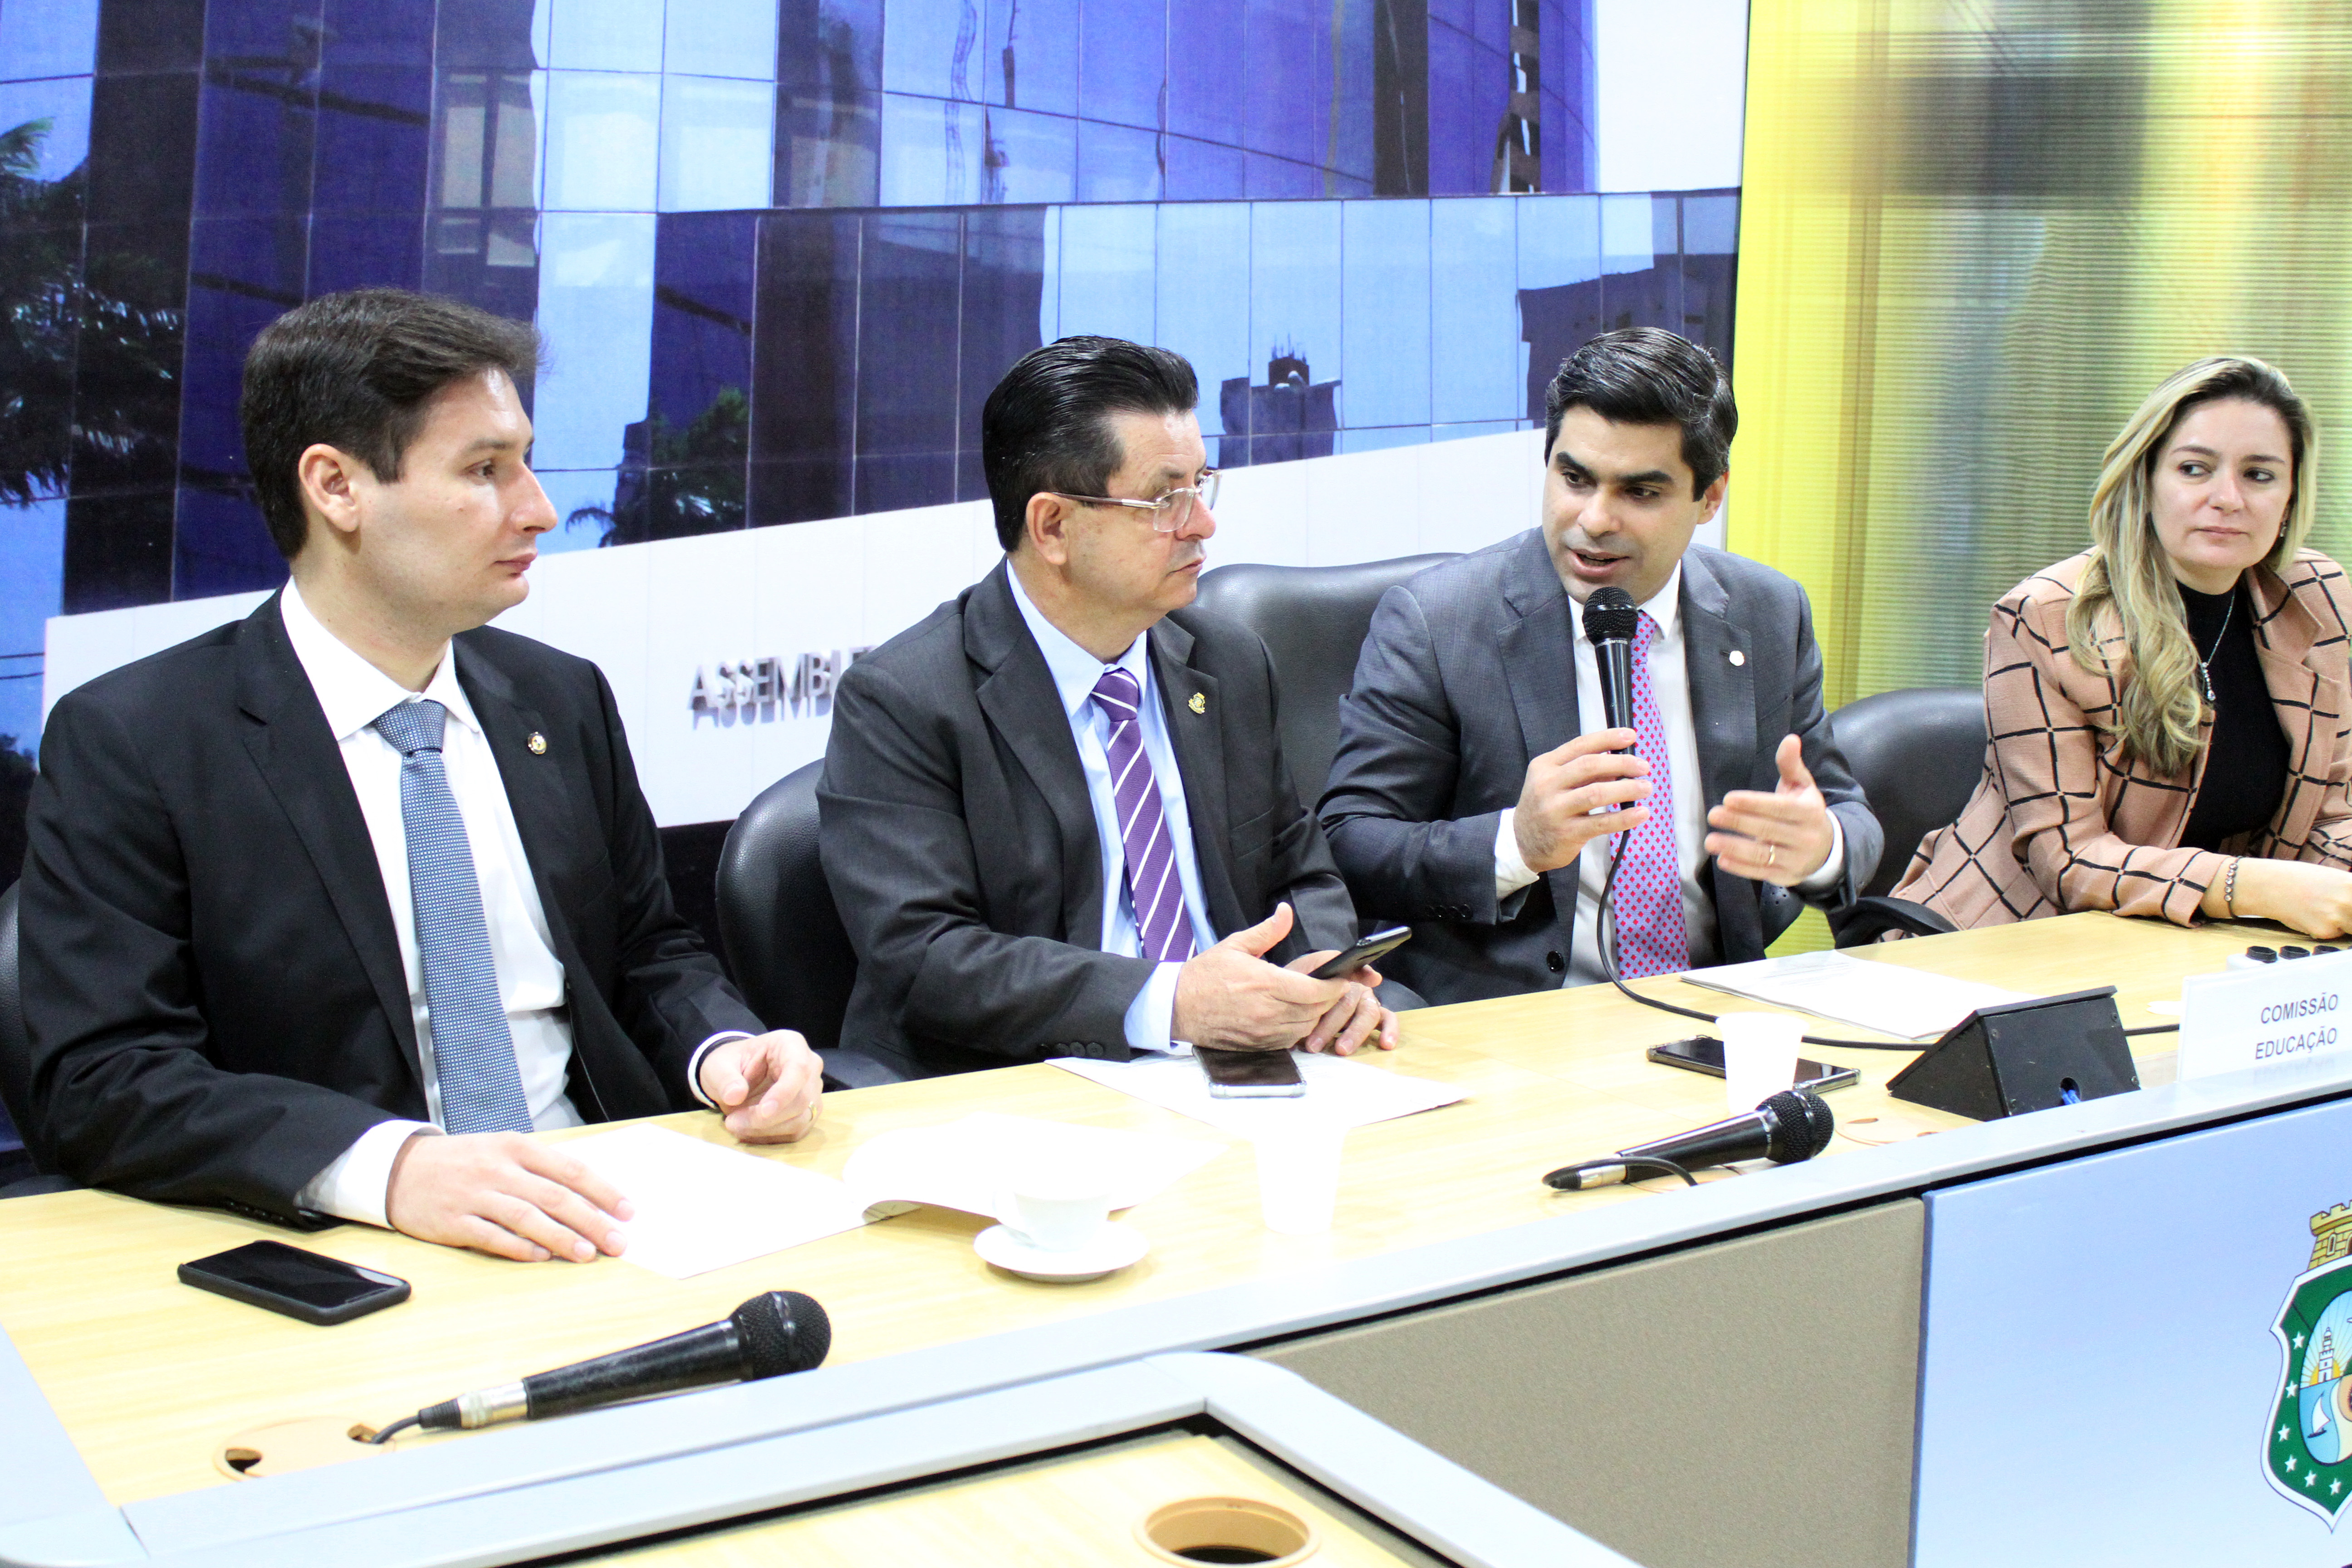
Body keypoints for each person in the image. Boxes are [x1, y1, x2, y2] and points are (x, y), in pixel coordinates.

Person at [23, 289, 823, 1261]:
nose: (537, 509)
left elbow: (646, 952)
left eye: (525, 462)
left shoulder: (558, 698)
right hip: (344, 1237)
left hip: (613, 1205)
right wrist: (392, 1169)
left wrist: (724, 1052)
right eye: (485, 470)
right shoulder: (137, 740)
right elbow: (105, 1079)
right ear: (336, 487)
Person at [819, 335, 1398, 1078]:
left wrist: (1320, 972)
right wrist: (1170, 1002)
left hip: (1245, 1062)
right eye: (1165, 499)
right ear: (1053, 527)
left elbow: (1298, 868)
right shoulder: (904, 699)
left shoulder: (1226, 661)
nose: (1202, 524)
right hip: (1023, 1087)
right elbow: (927, 957)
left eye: (1201, 485)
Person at [1318, 327, 1881, 1006]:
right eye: (1575, 479)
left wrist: (1821, 849)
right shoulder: (1439, 623)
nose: (1594, 520)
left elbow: (1847, 815)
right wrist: (1516, 843)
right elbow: (1351, 843)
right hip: (1516, 1019)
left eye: (1640, 493)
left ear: (1710, 497)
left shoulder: (1768, 612)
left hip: (1714, 1004)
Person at [1896, 356, 2352, 932]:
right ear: (2146, 481)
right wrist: (2250, 887)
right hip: (2011, 939)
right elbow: (2068, 860)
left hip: (2203, 943)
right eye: (2194, 469)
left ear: (2290, 499)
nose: (2228, 498)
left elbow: (2333, 812)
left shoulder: (2317, 595)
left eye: (2259, 475)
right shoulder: (2045, 618)